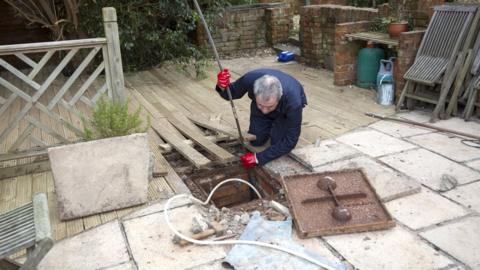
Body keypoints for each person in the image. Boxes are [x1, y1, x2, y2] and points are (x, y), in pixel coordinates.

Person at [215, 68, 307, 169]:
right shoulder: (249, 79)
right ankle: (266, 111)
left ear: (279, 97)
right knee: (256, 140)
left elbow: (290, 141)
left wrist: (258, 158)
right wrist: (221, 86)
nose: (265, 111)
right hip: (262, 107)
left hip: (284, 113)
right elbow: (230, 94)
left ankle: (277, 123)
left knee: (278, 144)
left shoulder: (293, 102)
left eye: (270, 106)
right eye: (260, 104)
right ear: (255, 91)